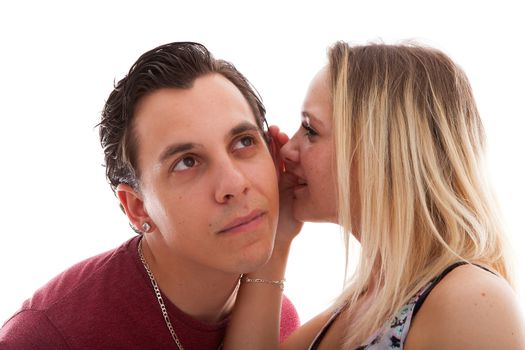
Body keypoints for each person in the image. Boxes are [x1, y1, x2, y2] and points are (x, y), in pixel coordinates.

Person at [223, 41, 525, 349]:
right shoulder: (353, 310)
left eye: (310, 130)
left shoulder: (469, 302)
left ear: (380, 151)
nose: (287, 149)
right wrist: (277, 237)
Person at [0, 42, 300, 349]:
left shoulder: (278, 322)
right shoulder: (48, 337)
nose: (234, 184)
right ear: (138, 208)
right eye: (187, 162)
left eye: (243, 142)